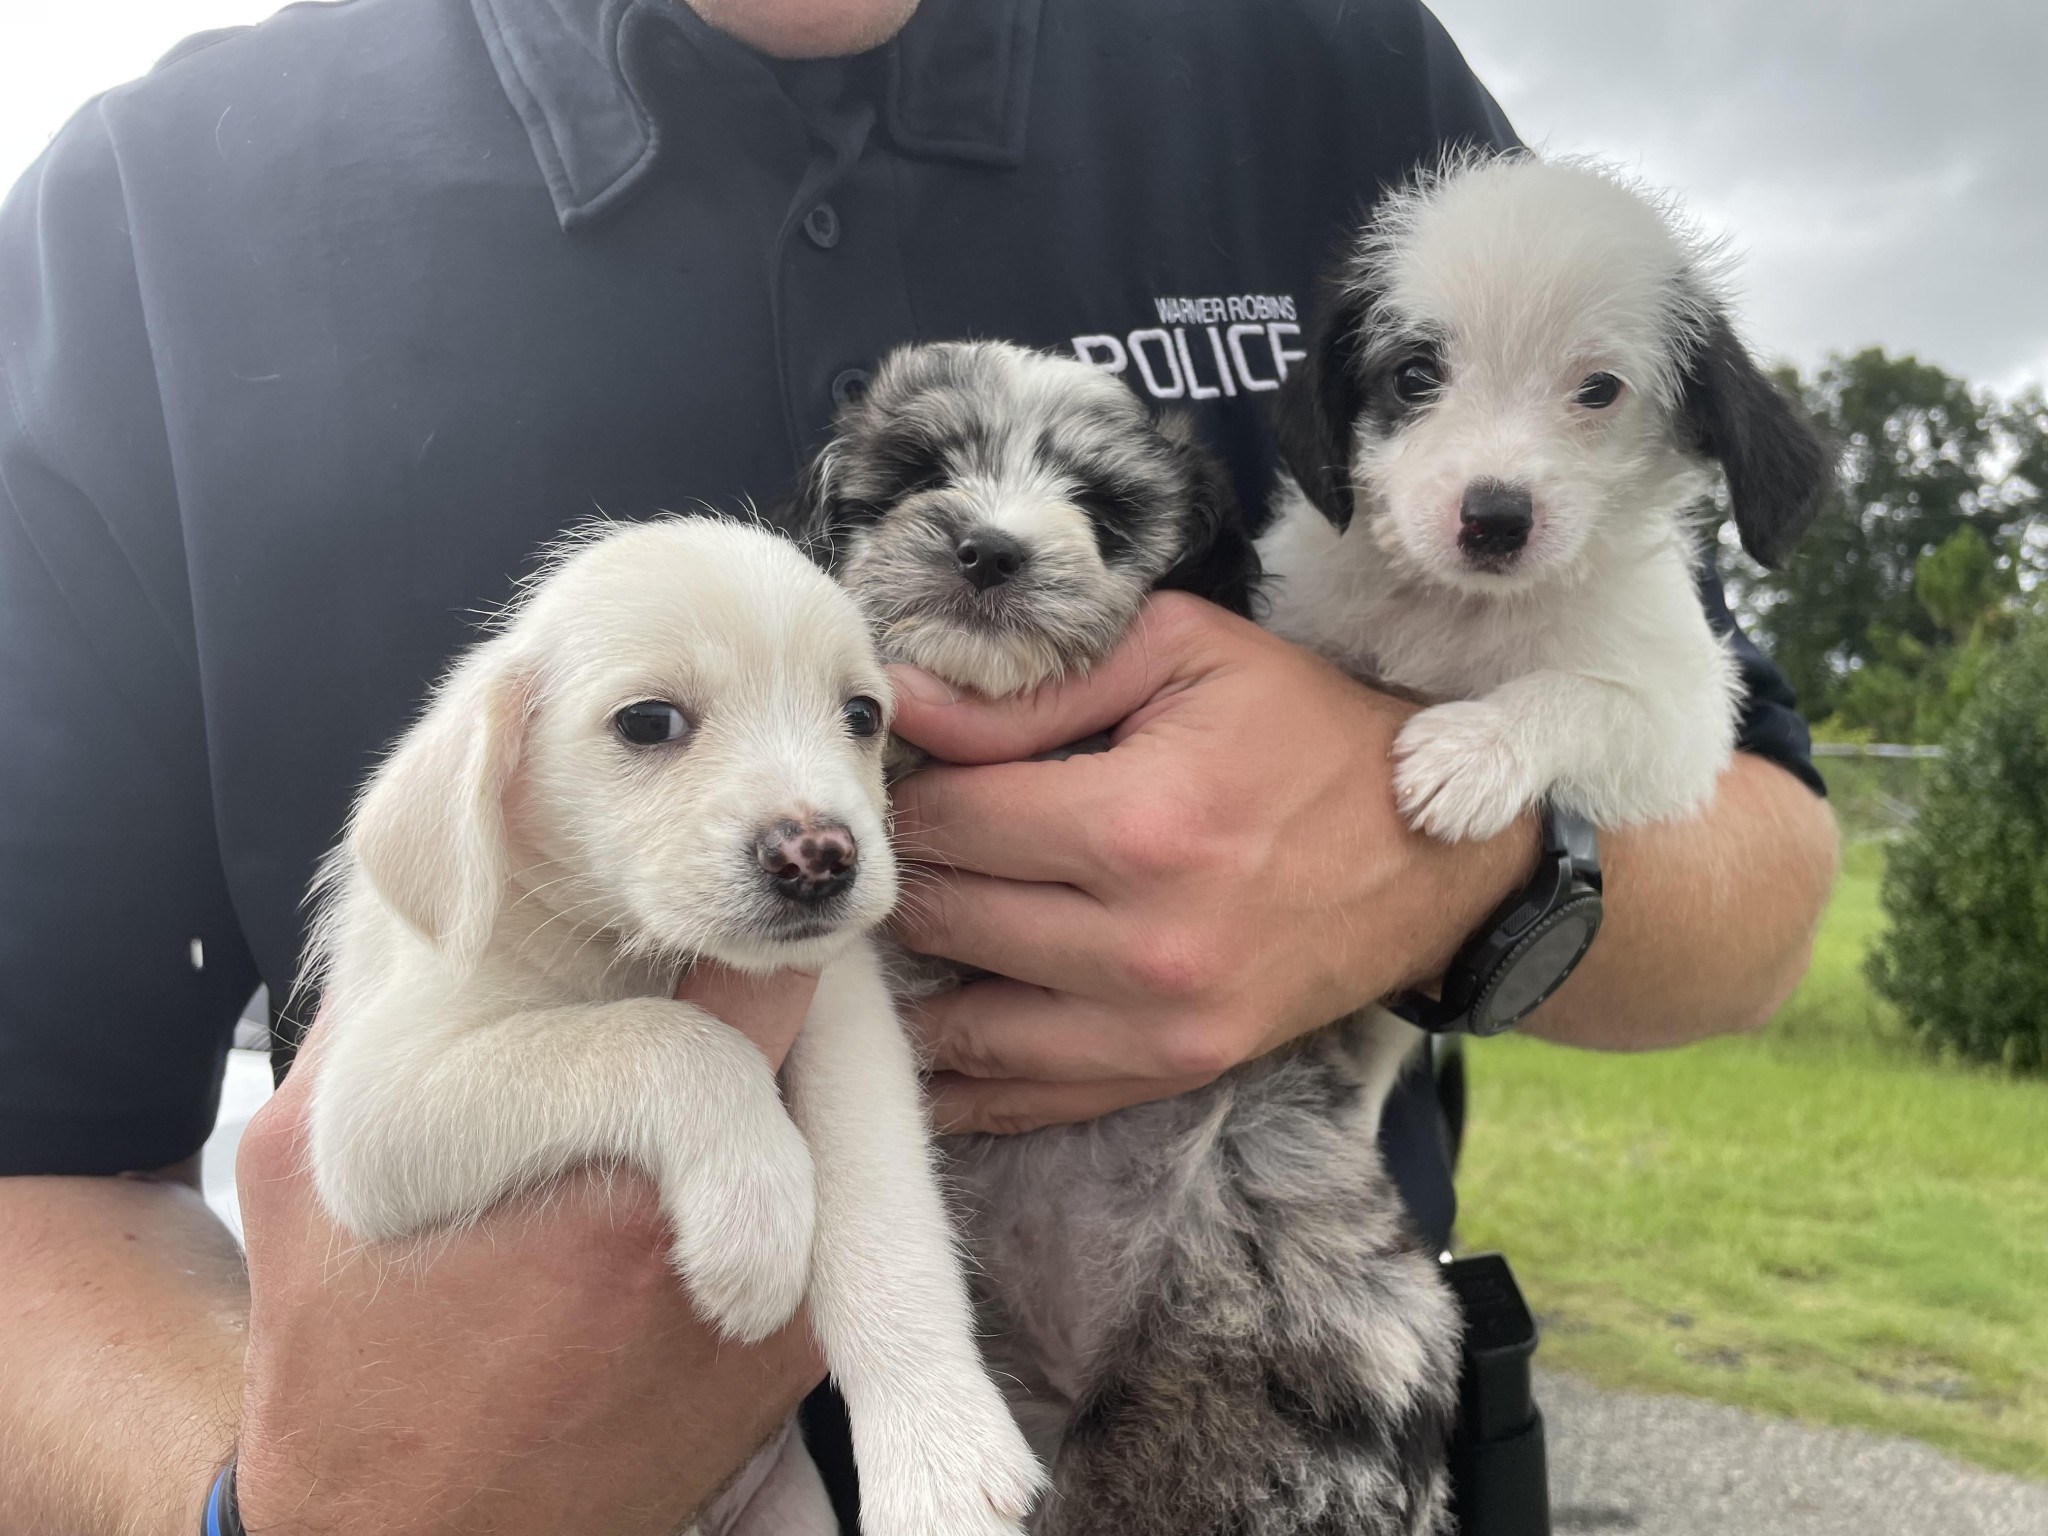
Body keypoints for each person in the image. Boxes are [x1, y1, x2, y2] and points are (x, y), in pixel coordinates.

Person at [0, 0, 1839, 1530]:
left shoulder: (1345, 79)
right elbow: (39, 1172)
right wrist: (276, 1507)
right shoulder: (152, 222)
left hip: (1251, 1424)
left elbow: (1764, 876)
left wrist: (1458, 860)